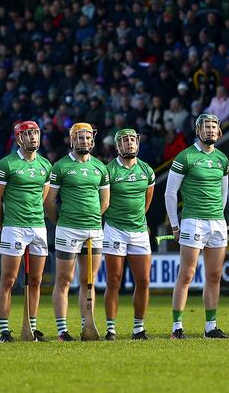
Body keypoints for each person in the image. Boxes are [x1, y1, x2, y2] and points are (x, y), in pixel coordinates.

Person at [166, 113, 229, 339]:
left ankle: (210, 327)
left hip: (216, 223)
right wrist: (175, 225)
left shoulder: (222, 158)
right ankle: (177, 327)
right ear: (198, 131)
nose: (211, 130)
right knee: (187, 274)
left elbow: (223, 195)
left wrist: (218, 218)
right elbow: (170, 193)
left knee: (214, 275)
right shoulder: (185, 157)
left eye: (214, 126)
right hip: (193, 221)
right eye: (206, 126)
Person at [45, 123, 110, 342]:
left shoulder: (100, 167)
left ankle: (87, 325)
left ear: (92, 140)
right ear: (72, 140)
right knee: (64, 280)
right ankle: (62, 330)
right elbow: (50, 201)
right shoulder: (60, 167)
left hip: (94, 231)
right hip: (68, 230)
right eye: (80, 138)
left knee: (88, 280)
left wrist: (91, 219)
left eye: (87, 138)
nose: (84, 141)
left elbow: (105, 201)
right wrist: (61, 222)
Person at [0, 120, 52, 342]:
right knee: (8, 279)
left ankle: (30, 327)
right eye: (27, 134)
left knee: (36, 281)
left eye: (35, 133)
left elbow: (44, 196)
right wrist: (3, 225)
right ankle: (4, 331)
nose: (33, 137)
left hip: (38, 227)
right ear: (18, 139)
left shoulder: (45, 165)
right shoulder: (6, 164)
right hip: (14, 227)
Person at [103, 128, 156, 340]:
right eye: (124, 141)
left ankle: (138, 328)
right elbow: (104, 201)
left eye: (132, 140)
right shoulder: (108, 171)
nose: (129, 144)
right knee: (114, 280)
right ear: (117, 146)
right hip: (115, 229)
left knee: (143, 281)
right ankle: (111, 329)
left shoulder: (147, 170)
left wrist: (138, 221)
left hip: (139, 231)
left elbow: (147, 201)